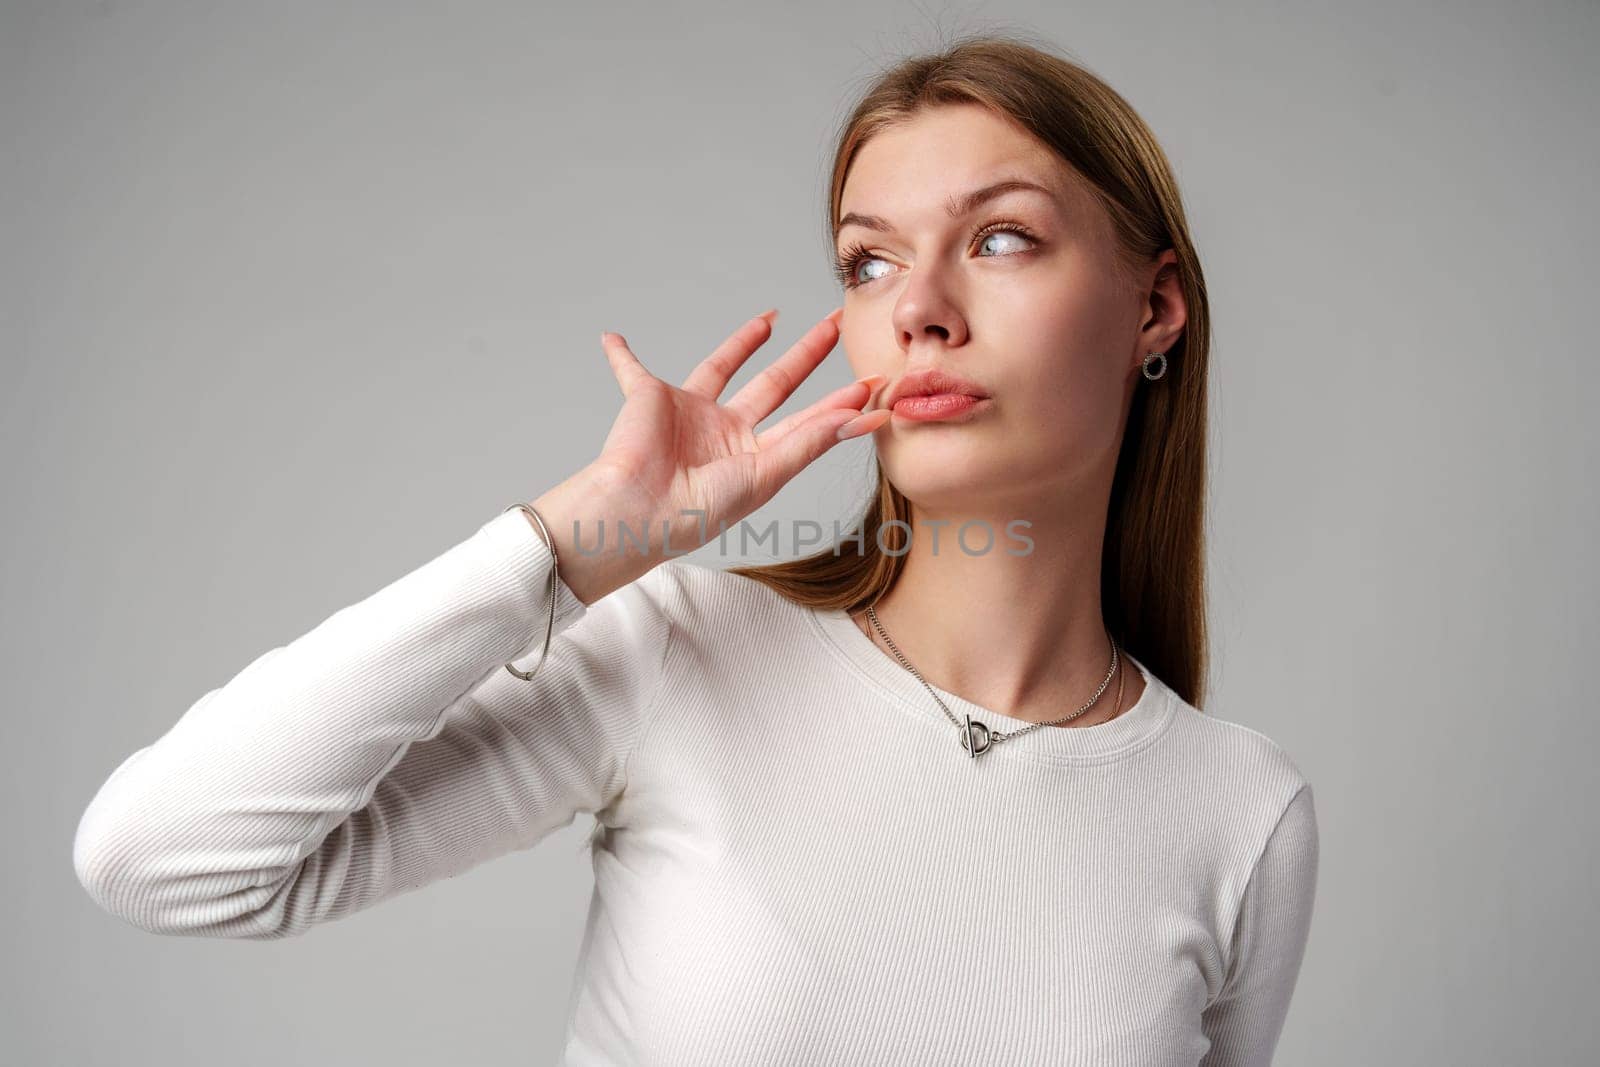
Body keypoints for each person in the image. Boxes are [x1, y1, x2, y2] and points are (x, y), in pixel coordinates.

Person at [73, 31, 1318, 1067]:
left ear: (1154, 306)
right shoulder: (679, 649)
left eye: (999, 239)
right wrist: (573, 542)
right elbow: (161, 858)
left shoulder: (1239, 809)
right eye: (868, 260)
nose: (920, 307)